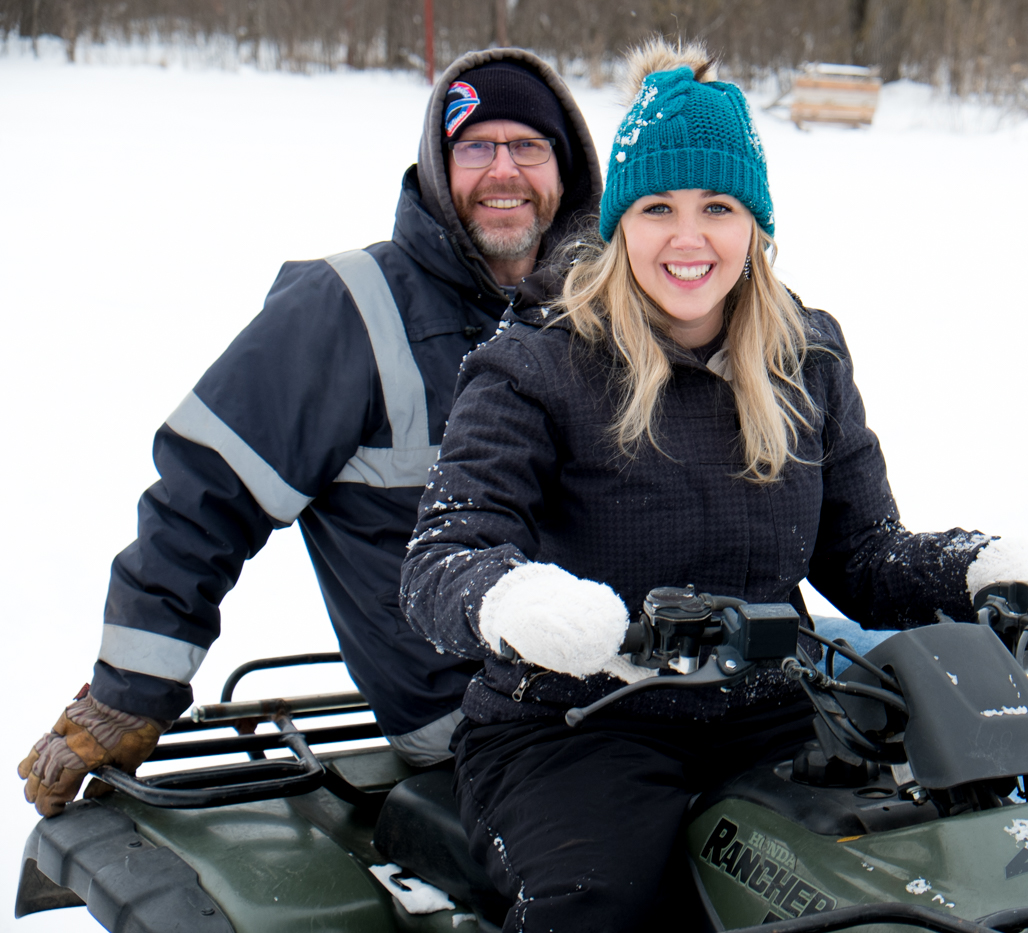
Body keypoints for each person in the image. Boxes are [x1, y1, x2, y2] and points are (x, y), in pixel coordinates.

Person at [400, 39, 1028, 931]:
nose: (689, 239)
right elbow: (442, 556)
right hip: (575, 726)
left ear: (755, 225)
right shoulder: (537, 363)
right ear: (618, 224)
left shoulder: (803, 356)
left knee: (920, 870)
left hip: (771, 716)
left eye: (718, 206)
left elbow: (864, 554)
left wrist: (983, 570)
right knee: (599, 908)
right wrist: (520, 599)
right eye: (657, 208)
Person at [18, 49, 602, 817]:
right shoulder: (349, 309)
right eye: (475, 148)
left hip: (631, 679)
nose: (504, 171)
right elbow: (206, 494)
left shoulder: (605, 306)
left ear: (566, 171)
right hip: (478, 716)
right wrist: (131, 692)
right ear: (437, 165)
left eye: (528, 147)